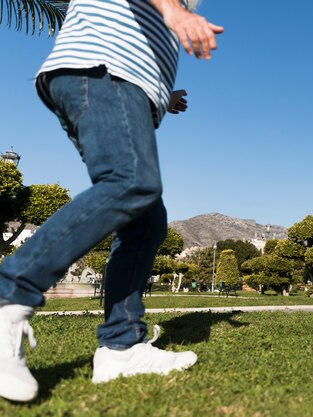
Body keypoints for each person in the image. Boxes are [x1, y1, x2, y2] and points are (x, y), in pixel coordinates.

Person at [0, 0, 224, 402]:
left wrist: (160, 94)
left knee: (146, 222)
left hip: (116, 78)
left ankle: (121, 347)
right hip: (102, 68)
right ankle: (11, 293)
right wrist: (174, 12)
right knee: (132, 182)